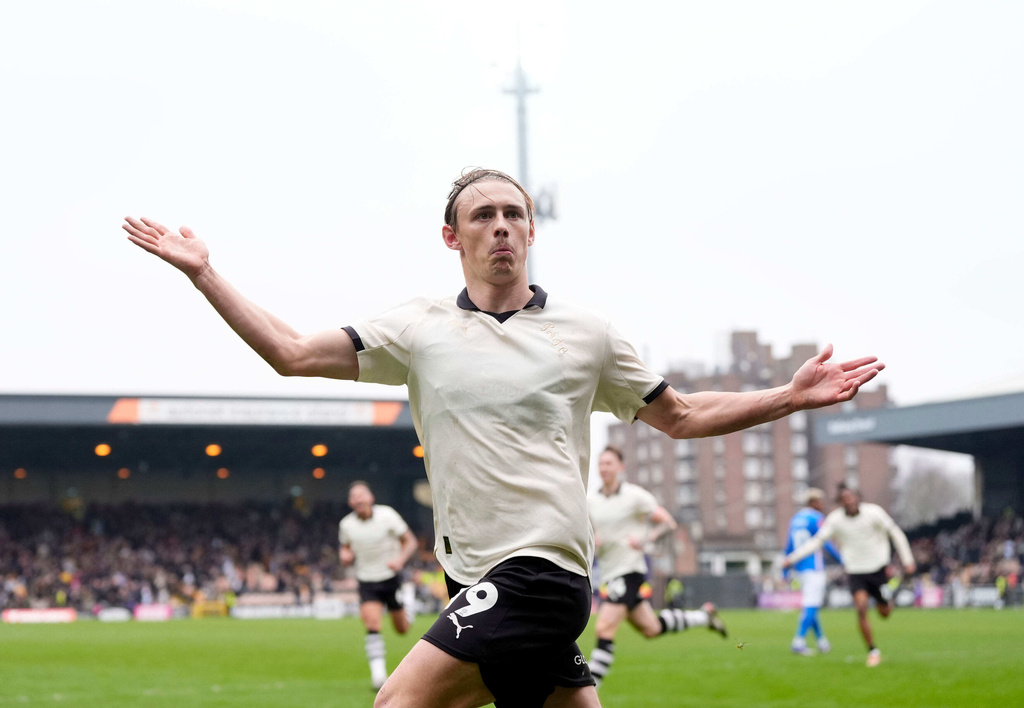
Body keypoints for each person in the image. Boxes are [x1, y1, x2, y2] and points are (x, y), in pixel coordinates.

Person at [123, 167, 884, 708]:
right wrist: (204, 273)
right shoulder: (417, 328)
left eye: (513, 214)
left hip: (540, 572)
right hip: (473, 578)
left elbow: (679, 416)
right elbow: (290, 353)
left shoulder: (586, 334)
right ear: (452, 236)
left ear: (530, 231)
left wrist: (787, 397)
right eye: (483, 215)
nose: (500, 227)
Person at [587, 445, 726, 689]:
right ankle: (703, 616)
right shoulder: (592, 501)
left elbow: (668, 523)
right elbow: (591, 534)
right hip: (609, 573)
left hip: (629, 570)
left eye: (609, 463)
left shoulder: (635, 496)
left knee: (604, 626)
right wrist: (593, 542)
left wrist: (645, 540)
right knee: (650, 628)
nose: (603, 468)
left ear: (621, 467)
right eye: (600, 463)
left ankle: (586, 693)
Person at [783, 483, 915, 667]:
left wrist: (908, 560)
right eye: (845, 500)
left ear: (858, 498)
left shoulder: (874, 512)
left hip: (877, 568)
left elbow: (896, 533)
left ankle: (886, 602)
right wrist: (792, 558)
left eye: (852, 498)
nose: (850, 502)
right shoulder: (835, 520)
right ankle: (872, 650)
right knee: (861, 607)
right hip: (855, 571)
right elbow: (818, 541)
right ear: (840, 503)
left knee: (884, 612)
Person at [338, 481, 419, 690]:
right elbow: (345, 549)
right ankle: (378, 675)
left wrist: (400, 560)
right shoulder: (346, 525)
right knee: (372, 624)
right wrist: (345, 556)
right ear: (350, 502)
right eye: (354, 496)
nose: (358, 499)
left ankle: (408, 603)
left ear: (371, 497)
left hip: (390, 577)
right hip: (366, 580)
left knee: (402, 629)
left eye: (361, 494)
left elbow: (410, 541)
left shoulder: (387, 515)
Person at [783, 487, 841, 656]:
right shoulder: (816, 518)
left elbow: (788, 546)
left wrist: (785, 568)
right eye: (820, 501)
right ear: (813, 502)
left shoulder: (795, 519)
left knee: (811, 604)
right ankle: (798, 641)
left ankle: (822, 641)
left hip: (799, 568)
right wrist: (841, 559)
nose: (822, 504)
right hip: (814, 566)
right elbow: (825, 541)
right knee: (811, 604)